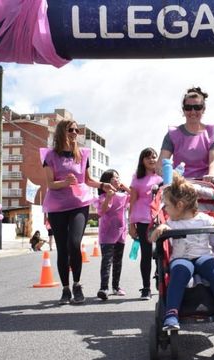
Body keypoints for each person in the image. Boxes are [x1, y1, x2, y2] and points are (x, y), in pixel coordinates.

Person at [148, 174, 214, 330]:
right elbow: (151, 239)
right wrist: (159, 230)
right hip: (181, 258)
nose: (165, 209)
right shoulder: (170, 223)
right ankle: (171, 313)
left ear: (179, 205)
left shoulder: (204, 219)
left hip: (204, 256)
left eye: (168, 206)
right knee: (179, 270)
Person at [42, 120, 115, 305]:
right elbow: (50, 183)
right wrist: (64, 183)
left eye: (76, 130)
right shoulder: (50, 156)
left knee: (74, 243)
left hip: (78, 204)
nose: (74, 133)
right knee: (62, 248)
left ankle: (77, 284)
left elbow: (88, 180)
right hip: (57, 207)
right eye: (70, 130)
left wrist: (103, 185)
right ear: (61, 132)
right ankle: (66, 289)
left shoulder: (82, 154)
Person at [158, 87, 214, 182]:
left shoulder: (211, 131)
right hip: (179, 186)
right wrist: (166, 173)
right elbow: (161, 163)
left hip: (205, 185)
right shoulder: (172, 134)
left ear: (203, 109)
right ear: (184, 110)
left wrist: (211, 174)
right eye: (188, 108)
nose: (192, 112)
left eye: (197, 107)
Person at [129, 147, 163, 300]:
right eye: (147, 157)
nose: (152, 159)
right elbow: (133, 201)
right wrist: (131, 224)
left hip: (161, 219)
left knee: (163, 252)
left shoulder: (163, 176)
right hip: (143, 219)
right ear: (142, 160)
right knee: (146, 254)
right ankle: (146, 288)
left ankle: (161, 277)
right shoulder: (137, 177)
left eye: (154, 156)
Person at [96, 169, 130, 301]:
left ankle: (116, 287)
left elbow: (134, 196)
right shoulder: (103, 197)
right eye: (113, 178)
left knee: (118, 261)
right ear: (106, 182)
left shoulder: (123, 195)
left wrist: (125, 187)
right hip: (107, 233)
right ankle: (103, 288)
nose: (117, 179)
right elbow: (101, 211)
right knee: (107, 261)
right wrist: (109, 196)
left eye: (117, 176)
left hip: (121, 232)